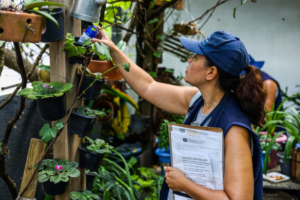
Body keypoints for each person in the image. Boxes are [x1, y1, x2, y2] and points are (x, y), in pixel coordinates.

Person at [92, 29, 266, 200]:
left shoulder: (234, 129)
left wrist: (184, 185)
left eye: (196, 57)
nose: (189, 59)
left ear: (211, 72)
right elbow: (148, 86)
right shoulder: (198, 100)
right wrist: (113, 50)